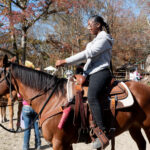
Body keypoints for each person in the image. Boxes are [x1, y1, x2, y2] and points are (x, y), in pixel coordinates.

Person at [55, 15, 114, 149]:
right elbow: (87, 59)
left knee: (92, 97)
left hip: (101, 72)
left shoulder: (104, 38)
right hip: (90, 74)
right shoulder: (92, 42)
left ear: (98, 25)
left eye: (90, 24)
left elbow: (89, 54)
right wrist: (79, 70)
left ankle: (102, 133)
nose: (88, 27)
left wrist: (65, 61)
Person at [21, 61, 41, 150]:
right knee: (37, 128)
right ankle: (38, 145)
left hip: (26, 107)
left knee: (27, 129)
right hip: (36, 107)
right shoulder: (36, 80)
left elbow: (19, 95)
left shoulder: (23, 80)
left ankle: (26, 146)